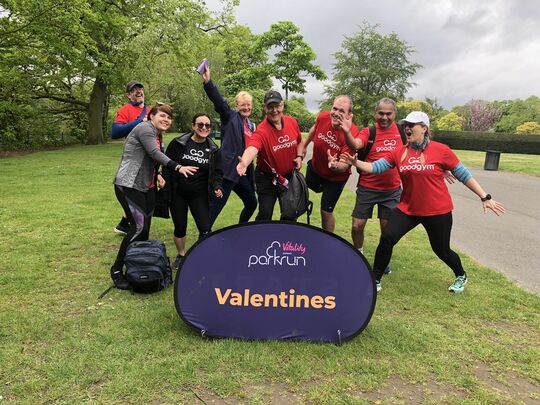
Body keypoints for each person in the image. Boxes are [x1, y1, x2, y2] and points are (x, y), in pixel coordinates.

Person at [340, 111, 505, 293]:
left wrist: (484, 197)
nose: (407, 128)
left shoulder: (441, 150)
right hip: (408, 209)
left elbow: (463, 174)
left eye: (412, 125)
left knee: (441, 250)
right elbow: (376, 167)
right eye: (405, 125)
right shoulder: (400, 152)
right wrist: (356, 163)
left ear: (424, 129)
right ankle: (375, 279)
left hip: (437, 211)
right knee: (387, 238)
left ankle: (461, 275)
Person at [110, 103, 183, 289]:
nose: (166, 119)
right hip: (128, 184)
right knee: (138, 227)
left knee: (145, 227)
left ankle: (139, 264)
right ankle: (117, 269)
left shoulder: (158, 134)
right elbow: (153, 152)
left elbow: (148, 157)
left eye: (169, 117)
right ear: (152, 116)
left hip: (146, 186)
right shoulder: (144, 128)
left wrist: (157, 174)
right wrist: (177, 166)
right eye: (162, 116)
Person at [341, 98, 405, 274]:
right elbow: (356, 144)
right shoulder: (369, 131)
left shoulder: (402, 131)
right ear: (375, 113)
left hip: (391, 190)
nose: (384, 117)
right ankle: (359, 255)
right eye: (380, 113)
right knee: (357, 225)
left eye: (388, 114)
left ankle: (383, 261)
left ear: (395, 114)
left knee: (387, 230)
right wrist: (347, 132)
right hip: (368, 187)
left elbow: (415, 149)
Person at [163, 113, 223, 269]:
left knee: (205, 227)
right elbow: (168, 164)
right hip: (178, 193)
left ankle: (202, 255)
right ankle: (181, 255)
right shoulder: (179, 143)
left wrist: (217, 186)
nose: (204, 128)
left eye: (207, 125)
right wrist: (165, 185)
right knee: (180, 226)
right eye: (200, 124)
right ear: (193, 126)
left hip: (199, 194)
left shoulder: (213, 149)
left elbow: (217, 172)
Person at [201, 66, 257, 226]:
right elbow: (219, 102)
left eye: (248, 105)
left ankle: (241, 228)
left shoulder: (251, 125)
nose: (246, 108)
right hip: (227, 171)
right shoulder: (230, 116)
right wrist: (208, 82)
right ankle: (203, 237)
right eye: (243, 105)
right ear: (237, 105)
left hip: (243, 174)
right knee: (215, 207)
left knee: (252, 203)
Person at [236, 90, 305, 221]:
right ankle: (262, 239)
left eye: (277, 106)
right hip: (266, 179)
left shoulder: (292, 122)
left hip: (288, 177)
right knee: (265, 214)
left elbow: (300, 141)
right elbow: (252, 148)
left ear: (282, 105)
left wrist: (299, 156)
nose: (274, 110)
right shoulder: (261, 131)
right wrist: (244, 162)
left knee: (290, 213)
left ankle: (286, 240)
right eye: (270, 107)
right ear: (264, 107)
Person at [301, 95, 361, 232]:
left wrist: (335, 166)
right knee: (300, 191)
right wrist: (304, 146)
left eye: (342, 111)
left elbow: (344, 166)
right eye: (335, 108)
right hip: (315, 169)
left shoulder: (352, 133)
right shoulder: (323, 117)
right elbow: (313, 129)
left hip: (335, 178)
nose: (336, 113)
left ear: (349, 115)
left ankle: (327, 240)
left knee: (325, 211)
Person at [111, 80, 148, 235]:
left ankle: (124, 224)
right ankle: (134, 227)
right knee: (132, 192)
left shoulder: (151, 110)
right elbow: (115, 132)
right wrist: (139, 121)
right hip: (134, 159)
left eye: (140, 88)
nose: (138, 91)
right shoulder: (125, 110)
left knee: (144, 192)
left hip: (149, 158)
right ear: (129, 95)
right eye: (134, 90)